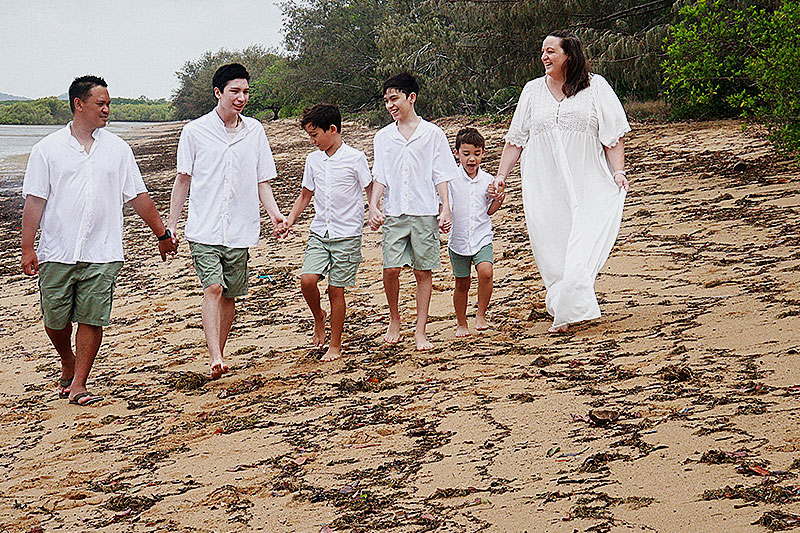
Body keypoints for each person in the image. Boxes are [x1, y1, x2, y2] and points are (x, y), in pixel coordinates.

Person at [20, 75, 177, 406]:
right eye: (100, 104)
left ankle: (79, 382)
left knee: (92, 317)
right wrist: (27, 247)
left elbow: (138, 196)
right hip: (57, 250)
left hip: (103, 250)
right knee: (55, 320)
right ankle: (67, 359)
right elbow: (35, 200)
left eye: (109, 104)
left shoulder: (118, 149)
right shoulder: (46, 149)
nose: (107, 109)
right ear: (79, 104)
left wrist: (162, 234)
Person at [492, 30, 630, 333]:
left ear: (569, 55)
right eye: (543, 51)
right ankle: (566, 304)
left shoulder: (596, 87)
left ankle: (569, 309)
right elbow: (516, 140)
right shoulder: (532, 90)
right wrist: (501, 175)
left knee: (581, 239)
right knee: (552, 246)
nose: (544, 56)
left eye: (551, 51)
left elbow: (612, 137)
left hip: (587, 179)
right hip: (544, 184)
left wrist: (618, 172)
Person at [167, 63, 285, 379]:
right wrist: (172, 225)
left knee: (230, 295)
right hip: (204, 227)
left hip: (240, 227)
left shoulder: (255, 131)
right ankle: (215, 356)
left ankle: (219, 352)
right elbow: (183, 179)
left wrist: (275, 215)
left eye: (245, 92)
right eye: (235, 91)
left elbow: (262, 180)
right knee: (214, 287)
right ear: (218, 92)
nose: (241, 97)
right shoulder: (195, 131)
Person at [368, 72, 456, 351]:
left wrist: (445, 208)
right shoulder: (383, 137)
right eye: (386, 101)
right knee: (390, 268)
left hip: (424, 211)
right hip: (394, 212)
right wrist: (373, 206)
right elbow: (380, 175)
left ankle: (420, 330)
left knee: (423, 271)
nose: (390, 105)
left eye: (394, 99)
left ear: (411, 97)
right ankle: (394, 319)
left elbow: (441, 174)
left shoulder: (433, 134)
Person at [281, 104, 373, 362]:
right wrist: (289, 220)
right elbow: (305, 195)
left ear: (332, 129)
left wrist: (376, 211)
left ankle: (335, 345)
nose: (312, 141)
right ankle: (318, 317)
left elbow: (370, 189)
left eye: (315, 135)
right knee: (307, 280)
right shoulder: (313, 160)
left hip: (348, 234)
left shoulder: (355, 158)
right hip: (320, 231)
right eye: (309, 136)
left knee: (335, 290)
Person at [448, 128, 504, 337]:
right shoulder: (450, 179)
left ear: (482, 153)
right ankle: (461, 322)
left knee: (486, 272)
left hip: (482, 236)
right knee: (462, 282)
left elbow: (490, 210)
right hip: (458, 239)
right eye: (466, 154)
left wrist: (499, 198)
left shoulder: (488, 180)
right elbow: (444, 206)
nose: (471, 159)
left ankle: (481, 314)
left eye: (477, 153)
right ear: (457, 153)